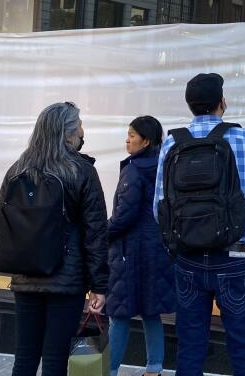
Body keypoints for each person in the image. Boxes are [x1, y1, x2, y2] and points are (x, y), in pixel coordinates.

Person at [153, 73, 245, 376]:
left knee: (190, 350)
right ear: (223, 103)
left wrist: (177, 244)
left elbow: (159, 206)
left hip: (188, 258)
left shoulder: (172, 144)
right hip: (234, 257)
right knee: (243, 350)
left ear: (190, 105)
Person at [0, 102, 109, 376]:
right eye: (80, 125)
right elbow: (96, 233)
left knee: (24, 357)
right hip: (66, 282)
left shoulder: (17, 170)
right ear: (68, 133)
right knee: (56, 359)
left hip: (25, 279)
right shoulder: (81, 171)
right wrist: (99, 286)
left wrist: (24, 251)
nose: (83, 130)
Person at [106, 116, 175, 376]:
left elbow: (124, 215)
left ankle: (110, 369)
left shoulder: (133, 169)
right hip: (156, 249)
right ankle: (154, 368)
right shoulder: (163, 166)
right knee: (151, 311)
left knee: (120, 313)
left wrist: (102, 233)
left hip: (130, 251)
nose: (127, 139)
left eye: (132, 135)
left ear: (145, 140)